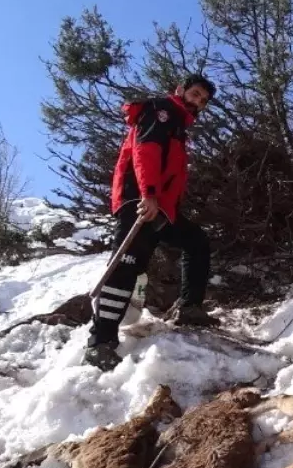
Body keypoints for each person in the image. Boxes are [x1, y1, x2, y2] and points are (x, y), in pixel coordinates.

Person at [83, 74, 219, 371]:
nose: (198, 102)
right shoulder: (162, 111)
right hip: (140, 201)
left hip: (161, 208)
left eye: (203, 100)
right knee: (125, 266)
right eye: (195, 94)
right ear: (180, 90)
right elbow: (146, 152)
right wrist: (149, 194)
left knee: (196, 242)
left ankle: (189, 307)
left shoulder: (178, 125)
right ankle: (99, 342)